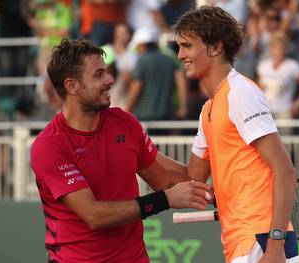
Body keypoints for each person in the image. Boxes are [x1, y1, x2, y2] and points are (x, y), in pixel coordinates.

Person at [30, 38, 211, 262]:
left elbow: (170, 181)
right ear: (72, 86)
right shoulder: (49, 146)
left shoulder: (124, 121)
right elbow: (94, 215)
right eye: (98, 75)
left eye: (107, 72)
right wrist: (164, 200)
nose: (110, 80)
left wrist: (213, 131)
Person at [175, 6, 297, 263]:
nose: (180, 54)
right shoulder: (209, 107)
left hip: (263, 240)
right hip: (241, 242)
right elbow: (193, 178)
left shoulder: (241, 93)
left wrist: (276, 245)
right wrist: (142, 153)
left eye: (187, 46)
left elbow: (284, 169)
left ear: (215, 47)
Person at [125, 27, 187, 121]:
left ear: (142, 45)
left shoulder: (142, 61)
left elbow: (136, 87)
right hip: (166, 115)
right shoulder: (169, 59)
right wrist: (183, 107)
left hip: (144, 116)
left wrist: (127, 110)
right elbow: (181, 82)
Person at [257, 32, 299, 125]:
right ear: (271, 49)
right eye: (276, 47)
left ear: (286, 49)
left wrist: (297, 104)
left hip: (285, 112)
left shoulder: (293, 66)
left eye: (282, 47)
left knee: (285, 139)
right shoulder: (264, 66)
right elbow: (258, 89)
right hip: (266, 112)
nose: (279, 50)